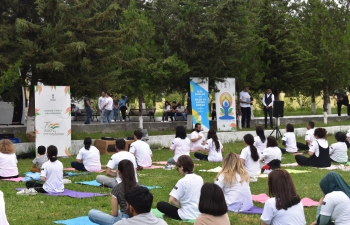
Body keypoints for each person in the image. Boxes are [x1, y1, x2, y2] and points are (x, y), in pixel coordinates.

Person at [88, 160, 139, 225]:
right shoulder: (140, 187)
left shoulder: (117, 189)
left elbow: (114, 214)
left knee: (92, 213)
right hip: (139, 218)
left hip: (123, 219)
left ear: (119, 173)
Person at [157, 155, 204, 220]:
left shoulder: (182, 181)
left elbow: (171, 200)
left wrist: (180, 205)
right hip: (199, 213)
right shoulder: (200, 179)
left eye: (177, 168)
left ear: (182, 167)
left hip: (185, 214)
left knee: (160, 205)